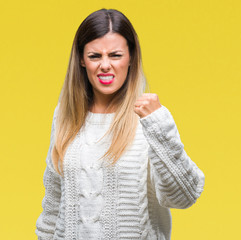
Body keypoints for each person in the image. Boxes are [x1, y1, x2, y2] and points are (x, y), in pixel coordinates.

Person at [35, 8, 205, 240]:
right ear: (82, 61)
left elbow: (184, 195)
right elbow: (52, 209)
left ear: (131, 58)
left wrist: (158, 126)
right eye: (95, 56)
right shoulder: (65, 117)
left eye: (115, 55)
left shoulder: (150, 120)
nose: (105, 65)